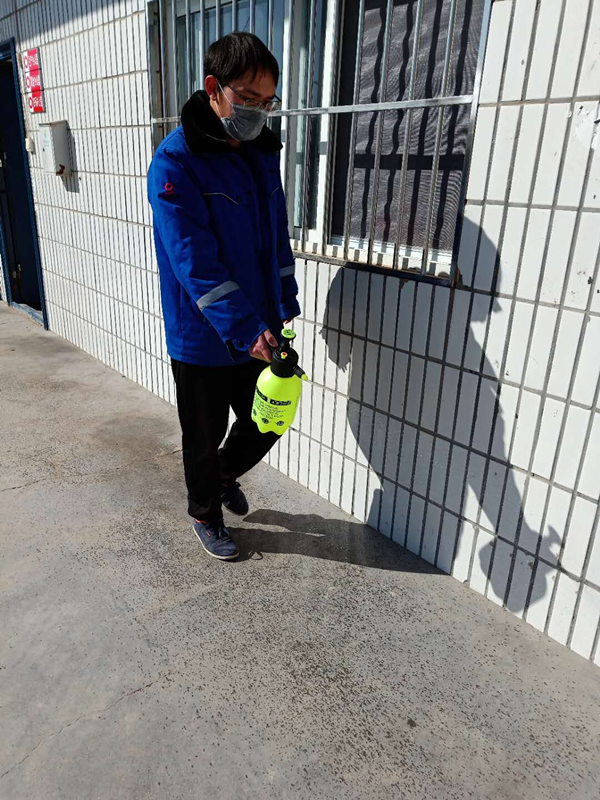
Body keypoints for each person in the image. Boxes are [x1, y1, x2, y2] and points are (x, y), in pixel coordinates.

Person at [147, 33, 300, 561]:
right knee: (202, 434)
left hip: (260, 322)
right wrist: (244, 326)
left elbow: (275, 235)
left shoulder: (261, 152)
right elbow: (195, 262)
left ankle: (223, 475)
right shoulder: (176, 162)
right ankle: (204, 512)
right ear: (213, 88)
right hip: (203, 332)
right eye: (248, 98)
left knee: (269, 416)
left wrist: (283, 303)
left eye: (268, 102)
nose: (258, 112)